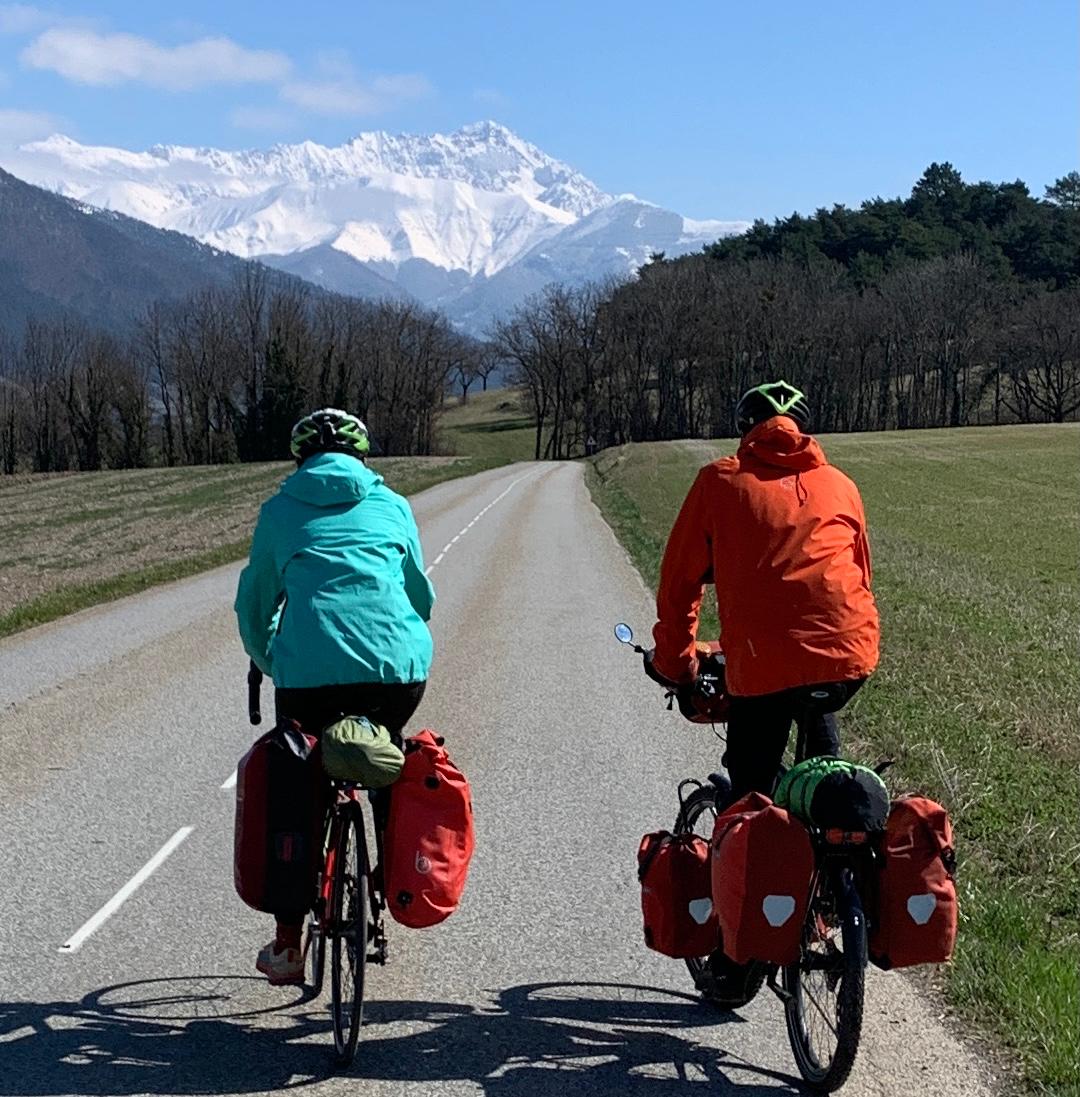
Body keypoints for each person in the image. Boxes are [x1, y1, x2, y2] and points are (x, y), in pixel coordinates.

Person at [235, 407, 434, 985]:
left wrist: (273, 661)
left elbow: (253, 607)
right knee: (386, 760)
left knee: (296, 787)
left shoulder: (278, 512)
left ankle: (288, 944)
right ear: (362, 458)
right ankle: (395, 884)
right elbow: (421, 598)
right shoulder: (393, 505)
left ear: (301, 460)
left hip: (307, 679)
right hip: (395, 674)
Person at [649, 380, 879, 801]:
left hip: (762, 664)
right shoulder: (842, 484)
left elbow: (679, 585)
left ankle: (755, 821)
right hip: (850, 657)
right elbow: (862, 575)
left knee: (751, 791)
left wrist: (677, 666)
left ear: (746, 429)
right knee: (823, 783)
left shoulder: (718, 481)